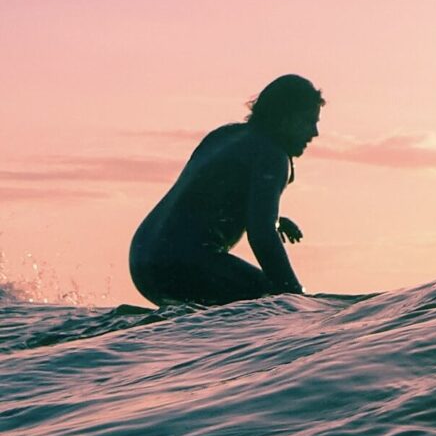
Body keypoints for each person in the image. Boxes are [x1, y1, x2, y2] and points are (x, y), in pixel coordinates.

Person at [129, 74, 324, 306]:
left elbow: (205, 197)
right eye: (307, 122)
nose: (314, 133)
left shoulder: (225, 136)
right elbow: (262, 235)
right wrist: (296, 299)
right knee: (271, 301)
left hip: (143, 259)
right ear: (285, 119)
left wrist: (275, 220)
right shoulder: (272, 156)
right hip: (183, 262)